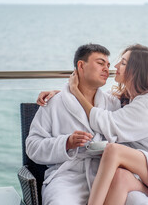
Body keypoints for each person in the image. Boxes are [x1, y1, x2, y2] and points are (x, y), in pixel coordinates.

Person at [67, 44, 148, 205]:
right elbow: (94, 96)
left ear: (136, 70)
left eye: (123, 63)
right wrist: (62, 94)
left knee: (114, 150)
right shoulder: (132, 98)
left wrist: (75, 91)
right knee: (120, 177)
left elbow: (106, 122)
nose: (115, 66)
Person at [26, 44, 121, 204]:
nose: (106, 69)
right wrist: (66, 143)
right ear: (81, 65)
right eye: (100, 63)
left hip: (106, 174)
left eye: (108, 65)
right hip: (67, 177)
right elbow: (32, 147)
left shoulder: (113, 103)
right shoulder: (54, 103)